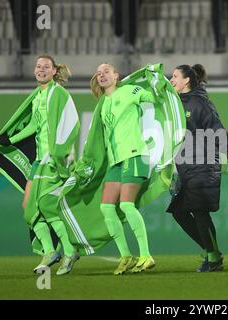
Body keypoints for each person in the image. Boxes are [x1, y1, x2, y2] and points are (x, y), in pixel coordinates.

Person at [0, 55, 80, 275]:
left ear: (53, 71)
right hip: (39, 160)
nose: (41, 70)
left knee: (46, 205)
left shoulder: (58, 93)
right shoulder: (37, 97)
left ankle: (68, 251)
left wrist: (60, 154)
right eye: (38, 67)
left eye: (46, 67)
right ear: (35, 71)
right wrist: (10, 140)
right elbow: (33, 125)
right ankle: (51, 251)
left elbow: (72, 123)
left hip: (54, 159)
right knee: (29, 209)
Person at [167, 64, 228, 272]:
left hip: (203, 164)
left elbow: (218, 132)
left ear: (187, 81)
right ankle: (212, 252)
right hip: (187, 167)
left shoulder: (200, 104)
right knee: (179, 211)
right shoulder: (176, 104)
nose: (171, 79)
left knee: (199, 212)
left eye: (175, 76)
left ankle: (213, 258)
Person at [89, 63, 156, 274]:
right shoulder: (103, 104)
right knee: (106, 208)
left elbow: (152, 98)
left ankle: (146, 255)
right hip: (115, 161)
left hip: (135, 154)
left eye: (106, 71)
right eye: (98, 73)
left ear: (116, 76)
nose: (101, 75)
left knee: (127, 205)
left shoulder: (129, 91)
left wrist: (156, 82)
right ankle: (126, 255)